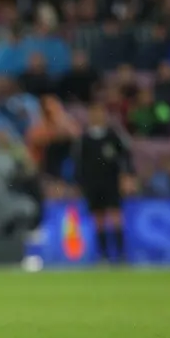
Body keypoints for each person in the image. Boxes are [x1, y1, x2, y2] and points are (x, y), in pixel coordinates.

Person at [72, 101, 133, 264]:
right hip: (93, 184)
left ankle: (120, 255)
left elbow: (125, 157)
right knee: (98, 219)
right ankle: (103, 255)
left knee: (115, 216)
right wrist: (80, 184)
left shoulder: (112, 136)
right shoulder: (84, 139)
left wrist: (126, 176)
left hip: (111, 182)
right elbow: (79, 163)